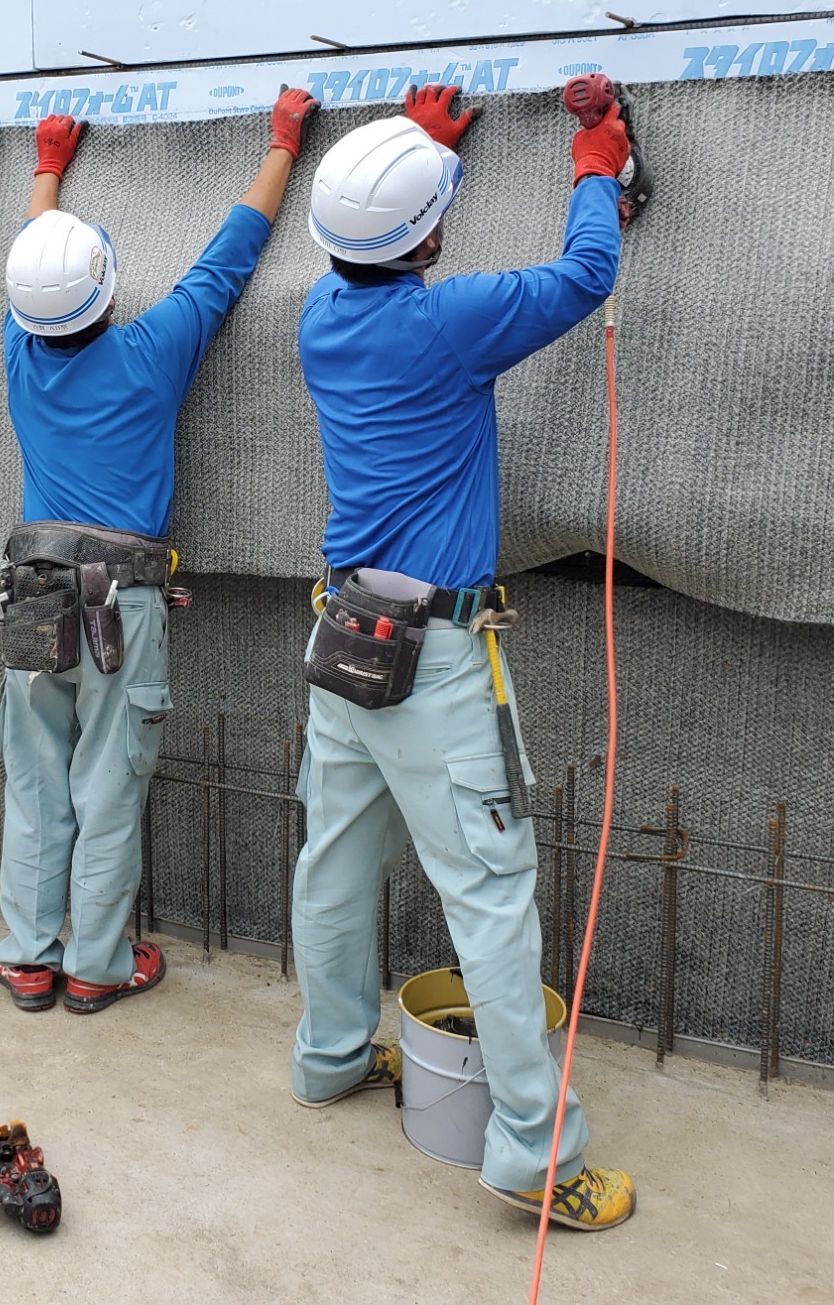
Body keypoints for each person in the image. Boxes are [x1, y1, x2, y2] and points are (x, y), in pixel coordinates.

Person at [290, 85, 637, 1229]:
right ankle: (534, 1158)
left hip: (342, 641)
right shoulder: (448, 323)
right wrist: (596, 163)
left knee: (334, 865)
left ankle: (331, 1056)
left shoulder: (320, 319)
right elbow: (585, 277)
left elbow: (386, 240)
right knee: (489, 896)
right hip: (432, 662)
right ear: (428, 236)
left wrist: (418, 148)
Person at [0, 88, 319, 1014]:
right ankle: (96, 965)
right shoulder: (150, 352)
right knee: (105, 787)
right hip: (118, 603)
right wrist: (283, 144)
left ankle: (27, 956)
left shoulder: (20, 352)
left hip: (32, 589)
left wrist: (48, 160)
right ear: (104, 289)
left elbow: (34, 258)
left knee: (34, 781)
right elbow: (229, 258)